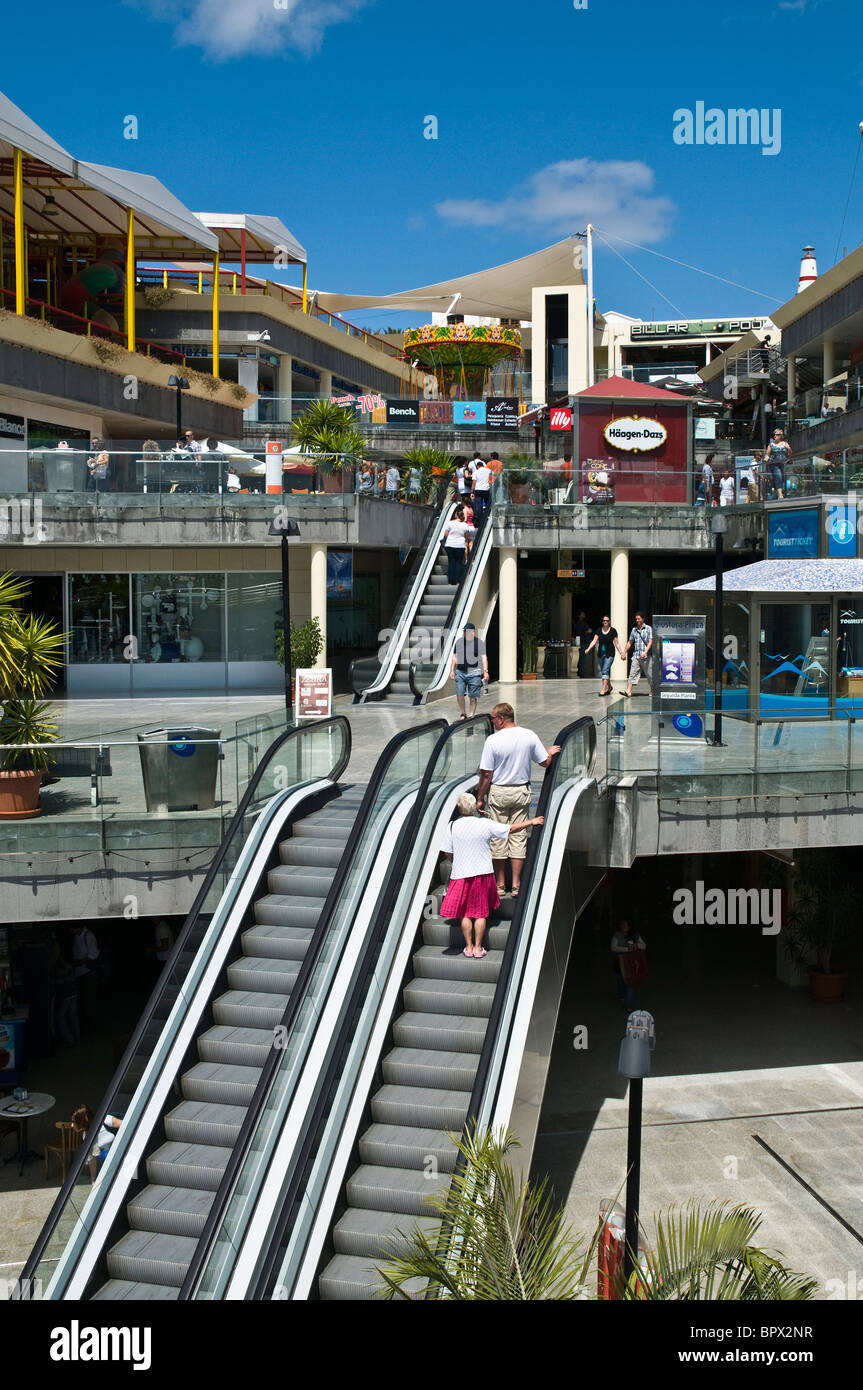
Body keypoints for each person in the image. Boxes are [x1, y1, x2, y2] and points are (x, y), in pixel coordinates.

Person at [440, 793, 544, 957]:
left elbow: (447, 851)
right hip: (483, 874)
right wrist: (532, 821)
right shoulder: (484, 824)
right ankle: (478, 948)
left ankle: (468, 947)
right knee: (480, 913)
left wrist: (457, 860)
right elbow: (510, 829)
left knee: (466, 914)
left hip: (460, 874)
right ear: (475, 807)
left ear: (459, 808)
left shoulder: (452, 826)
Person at [475, 703, 560, 898]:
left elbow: (486, 774)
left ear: (501, 719)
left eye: (494, 718)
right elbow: (544, 762)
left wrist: (480, 798)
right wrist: (548, 752)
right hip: (521, 791)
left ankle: (500, 883)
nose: (493, 721)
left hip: (499, 793)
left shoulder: (492, 741)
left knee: (498, 836)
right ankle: (516, 884)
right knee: (518, 837)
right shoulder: (528, 735)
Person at [450, 621, 488, 719]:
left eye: (467, 631)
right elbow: (454, 657)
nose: (465, 633)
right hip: (460, 672)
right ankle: (463, 713)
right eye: (465, 631)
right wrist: (452, 670)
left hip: (474, 673)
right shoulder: (459, 642)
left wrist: (486, 671)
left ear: (472, 632)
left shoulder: (479, 643)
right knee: (460, 693)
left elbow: (484, 658)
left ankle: (471, 715)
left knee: (473, 697)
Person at [611, 919, 647, 1009]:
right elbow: (613, 948)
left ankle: (628, 1005)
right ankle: (622, 996)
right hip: (620, 963)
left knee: (630, 983)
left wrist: (636, 945)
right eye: (622, 924)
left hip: (632, 963)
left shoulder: (635, 935)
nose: (623, 926)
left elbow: (644, 946)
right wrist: (627, 949)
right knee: (621, 980)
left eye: (625, 925)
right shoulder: (617, 935)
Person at [71, 924, 100, 1033]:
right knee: (85, 1001)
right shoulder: (77, 936)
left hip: (88, 972)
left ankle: (92, 1027)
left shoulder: (88, 936)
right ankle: (88, 1026)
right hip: (80, 972)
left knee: (90, 1001)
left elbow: (93, 955)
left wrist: (79, 962)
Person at [584, 615, 623, 697]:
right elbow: (594, 641)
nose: (605, 622)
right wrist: (588, 649)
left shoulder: (613, 631)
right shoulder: (598, 630)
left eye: (607, 620)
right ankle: (609, 687)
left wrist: (621, 652)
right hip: (601, 653)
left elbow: (617, 643)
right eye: (604, 620)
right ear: (602, 622)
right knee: (604, 671)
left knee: (605, 670)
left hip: (610, 653)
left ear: (609, 621)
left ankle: (603, 689)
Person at [442, 505, 475, 584]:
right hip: (460, 545)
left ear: (456, 515)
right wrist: (466, 544)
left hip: (450, 545)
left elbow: (446, 534)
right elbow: (466, 537)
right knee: (458, 562)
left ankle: (451, 580)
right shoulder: (465, 525)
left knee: (451, 562)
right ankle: (457, 579)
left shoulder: (450, 523)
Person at [624, 612, 654, 698]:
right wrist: (624, 652)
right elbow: (630, 642)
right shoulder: (634, 630)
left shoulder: (648, 628)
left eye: (639, 619)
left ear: (643, 619)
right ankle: (628, 691)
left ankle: (652, 690)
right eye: (636, 619)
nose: (637, 620)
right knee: (632, 673)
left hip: (646, 655)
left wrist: (645, 651)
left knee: (649, 674)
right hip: (636, 655)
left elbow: (650, 641)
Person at [763, 429, 791, 500]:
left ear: (781, 436)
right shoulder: (771, 445)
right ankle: (780, 495)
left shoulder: (785, 443)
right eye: (774, 434)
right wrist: (765, 460)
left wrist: (789, 449)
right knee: (778, 476)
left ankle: (776, 493)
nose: (775, 436)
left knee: (782, 478)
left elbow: (789, 453)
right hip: (774, 463)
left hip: (783, 463)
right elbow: (767, 455)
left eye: (777, 434)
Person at [471, 456, 492, 522]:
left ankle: (480, 519)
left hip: (478, 490)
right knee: (488, 503)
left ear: (477, 466)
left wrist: (472, 492)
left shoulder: (476, 472)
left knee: (478, 505)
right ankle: (488, 516)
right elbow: (492, 479)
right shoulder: (488, 470)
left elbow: (474, 482)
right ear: (483, 465)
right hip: (486, 489)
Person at [573, 611, 593, 678]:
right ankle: (582, 674)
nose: (584, 614)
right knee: (582, 659)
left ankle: (580, 673)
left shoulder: (577, 623)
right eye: (582, 614)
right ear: (579, 615)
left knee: (580, 658)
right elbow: (586, 631)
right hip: (583, 642)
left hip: (581, 642)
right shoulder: (581, 623)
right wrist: (588, 631)